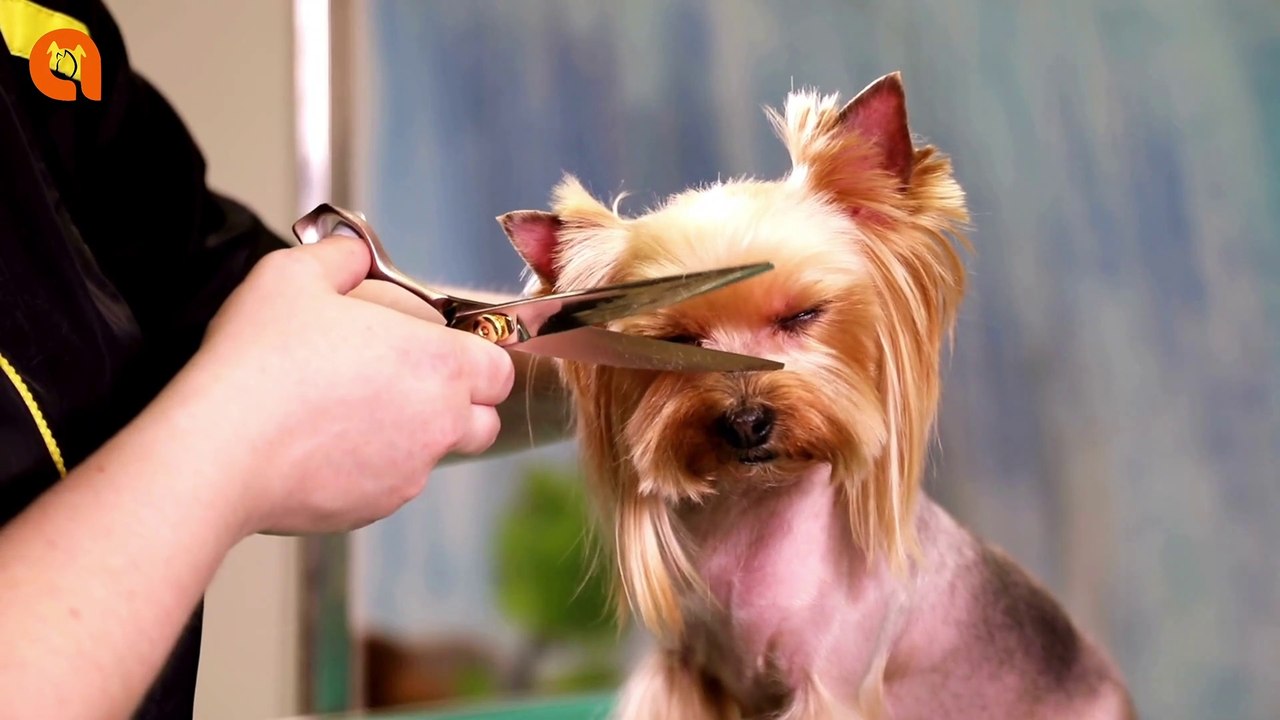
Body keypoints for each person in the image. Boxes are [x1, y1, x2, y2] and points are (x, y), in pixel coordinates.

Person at [0, 1, 569, 718]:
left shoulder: (38, 32)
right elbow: (267, 374)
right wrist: (236, 439)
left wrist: (628, 364)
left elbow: (218, 296)